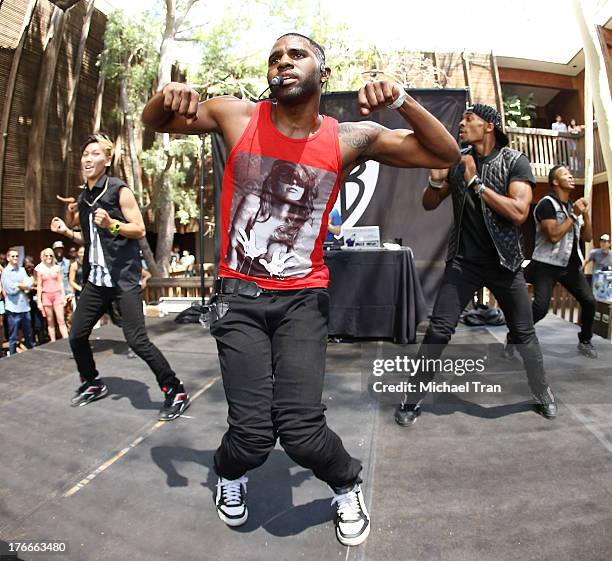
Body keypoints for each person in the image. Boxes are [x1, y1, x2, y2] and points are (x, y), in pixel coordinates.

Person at [142, 32, 459, 546]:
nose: (282, 62)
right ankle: (230, 473)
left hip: (302, 299)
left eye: (296, 55)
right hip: (239, 297)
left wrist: (400, 99)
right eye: (274, 57)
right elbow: (153, 122)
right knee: (250, 437)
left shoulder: (350, 139)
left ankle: (346, 483)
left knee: (303, 431)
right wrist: (165, 96)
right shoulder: (235, 116)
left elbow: (445, 151)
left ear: (322, 74)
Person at [395, 103, 558, 429]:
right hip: (464, 263)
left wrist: (476, 184)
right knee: (439, 331)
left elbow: (518, 212)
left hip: (505, 263)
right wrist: (437, 180)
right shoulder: (456, 160)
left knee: (524, 334)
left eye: (469, 119)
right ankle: (411, 399)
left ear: (489, 126)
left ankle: (542, 393)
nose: (461, 124)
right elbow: (429, 204)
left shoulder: (514, 161)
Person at [50, 132, 190, 421]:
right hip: (97, 281)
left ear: (107, 159)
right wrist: (66, 232)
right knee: (76, 335)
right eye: (85, 154)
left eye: (95, 154)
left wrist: (113, 224)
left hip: (123, 280)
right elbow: (89, 242)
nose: (88, 159)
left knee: (137, 340)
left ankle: (174, 389)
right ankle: (92, 382)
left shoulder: (118, 190)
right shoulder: (85, 198)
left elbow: (138, 229)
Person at [516, 164, 596, 358]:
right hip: (546, 265)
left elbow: (587, 237)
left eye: (571, 174)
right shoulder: (546, 204)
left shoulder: (572, 207)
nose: (570, 177)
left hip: (570, 266)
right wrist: (574, 215)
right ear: (555, 181)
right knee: (541, 309)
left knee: (589, 302)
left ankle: (585, 341)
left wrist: (584, 214)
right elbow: (553, 235)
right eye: (565, 174)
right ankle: (515, 337)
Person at [1, 248, 35, 355]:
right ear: (8, 258)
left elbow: (29, 285)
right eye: (13, 256)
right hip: (13, 309)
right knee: (13, 336)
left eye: (16, 256)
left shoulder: (21, 270)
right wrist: (21, 285)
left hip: (25, 307)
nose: (15, 258)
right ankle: (12, 356)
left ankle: (33, 355)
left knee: (29, 334)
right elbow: (10, 290)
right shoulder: (5, 273)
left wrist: (18, 285)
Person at [35, 248, 69, 341]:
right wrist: (39, 301)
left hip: (57, 294)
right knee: (50, 321)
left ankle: (66, 340)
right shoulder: (40, 269)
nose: (49, 257)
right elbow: (39, 285)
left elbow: (60, 282)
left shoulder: (56, 267)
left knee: (61, 320)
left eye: (51, 255)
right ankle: (53, 341)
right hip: (46, 295)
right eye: (47, 255)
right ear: (43, 257)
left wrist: (63, 296)